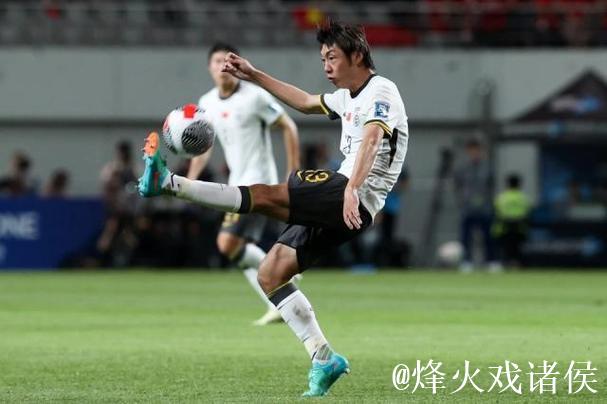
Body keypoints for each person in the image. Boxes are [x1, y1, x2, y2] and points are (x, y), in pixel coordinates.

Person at [138, 20, 409, 397]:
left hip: (350, 193)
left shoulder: (382, 90)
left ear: (358, 55)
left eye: (332, 57)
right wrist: (253, 74)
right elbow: (305, 102)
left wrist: (352, 187)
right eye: (323, 59)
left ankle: (168, 184)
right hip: (348, 201)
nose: (326, 66)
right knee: (270, 273)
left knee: (265, 197)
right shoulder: (347, 97)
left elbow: (374, 138)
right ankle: (323, 357)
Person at [187, 42, 301, 326]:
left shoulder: (255, 97)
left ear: (235, 64)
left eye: (227, 61)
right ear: (209, 67)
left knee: (227, 243)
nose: (222, 66)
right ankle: (278, 300)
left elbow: (289, 126)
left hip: (257, 182)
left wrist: (293, 172)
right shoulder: (207, 102)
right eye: (216, 61)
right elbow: (205, 149)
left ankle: (282, 271)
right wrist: (188, 181)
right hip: (236, 183)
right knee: (236, 249)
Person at [453, 138, 498, 272]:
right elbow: (457, 186)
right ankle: (466, 261)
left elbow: (492, 186)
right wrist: (461, 201)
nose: (475, 153)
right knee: (466, 237)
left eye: (477, 150)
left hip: (485, 208)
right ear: (468, 152)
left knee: (488, 236)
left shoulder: (488, 168)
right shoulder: (462, 168)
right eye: (472, 151)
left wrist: (490, 202)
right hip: (468, 208)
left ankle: (491, 261)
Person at [493, 174, 531, 267]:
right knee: (518, 249)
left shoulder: (502, 197)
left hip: (504, 228)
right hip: (519, 228)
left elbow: (497, 213)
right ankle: (517, 265)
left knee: (505, 249)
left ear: (508, 184)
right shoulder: (523, 198)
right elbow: (527, 213)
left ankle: (505, 264)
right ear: (519, 184)